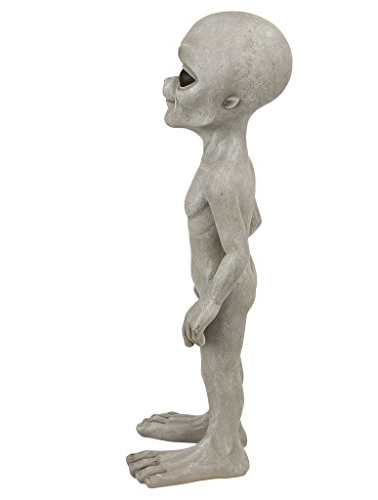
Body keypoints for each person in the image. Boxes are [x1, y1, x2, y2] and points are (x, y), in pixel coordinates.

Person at [127, 11, 292, 487]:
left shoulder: (223, 175)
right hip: (223, 284)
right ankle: (219, 423)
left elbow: (237, 252)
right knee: (218, 364)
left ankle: (224, 452)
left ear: (230, 102)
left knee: (220, 364)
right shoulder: (228, 159)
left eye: (186, 78)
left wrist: (210, 300)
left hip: (227, 289)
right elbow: (254, 219)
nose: (168, 86)